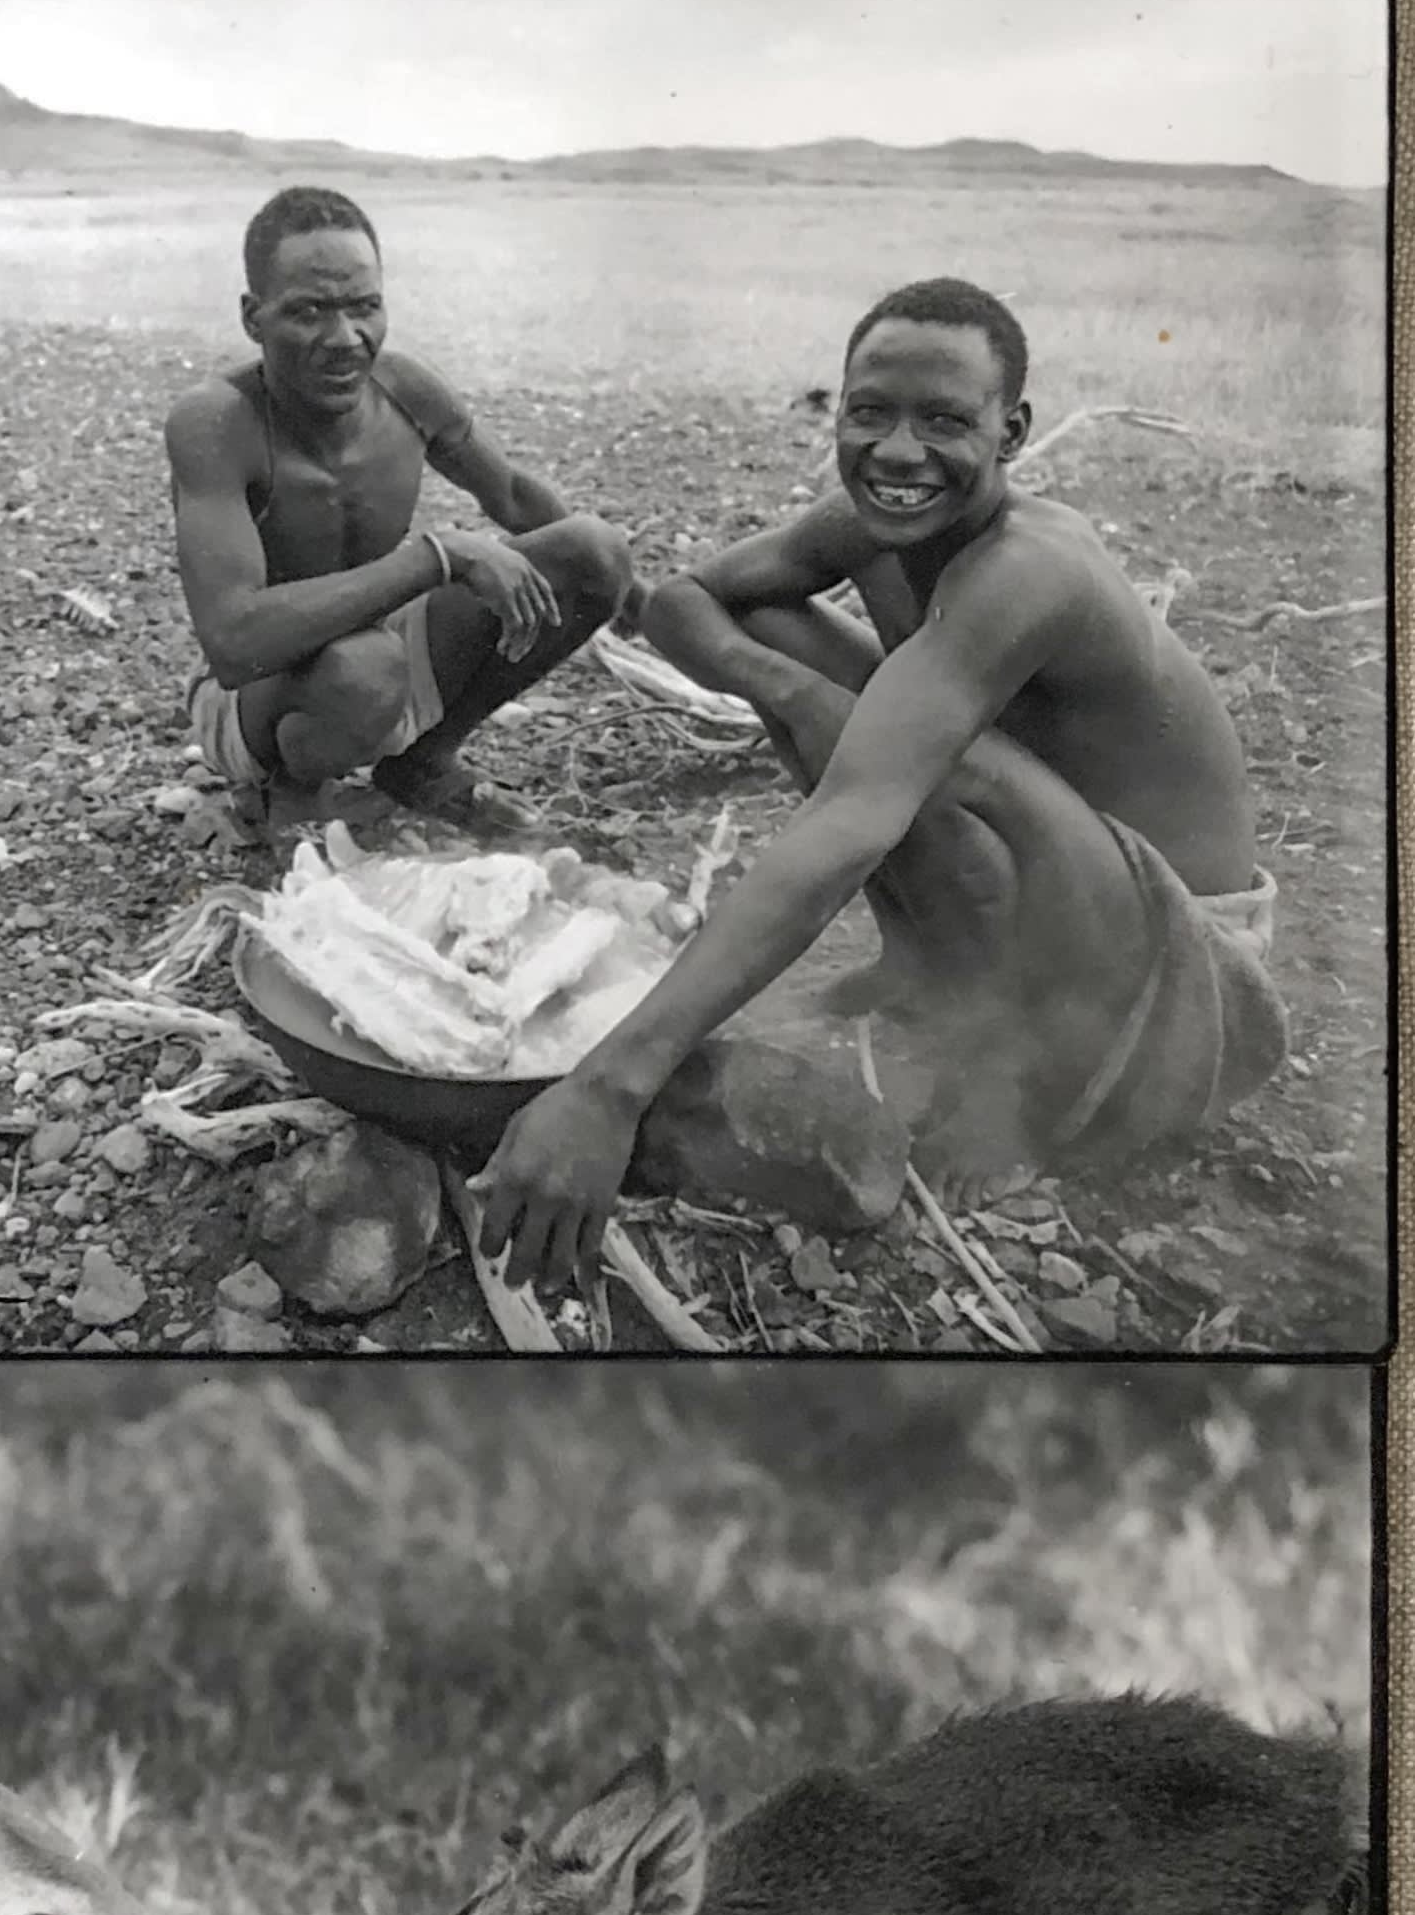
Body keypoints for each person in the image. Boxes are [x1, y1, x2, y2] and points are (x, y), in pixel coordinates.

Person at [473, 276, 1287, 1293]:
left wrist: (609, 1084)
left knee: (929, 755)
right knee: (800, 648)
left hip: (1184, 976)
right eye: (871, 413)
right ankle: (940, 983)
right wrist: (800, 694)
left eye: (946, 420)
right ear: (842, 409)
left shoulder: (1027, 571)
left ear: (1013, 433)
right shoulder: (877, 518)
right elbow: (687, 604)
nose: (899, 452)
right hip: (1064, 875)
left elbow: (859, 815)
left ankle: (1017, 1088)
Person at [166, 186, 641, 840]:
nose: (345, 339)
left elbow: (512, 496)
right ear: (254, 318)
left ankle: (421, 762)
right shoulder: (218, 422)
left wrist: (646, 605)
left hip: (377, 647)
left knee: (594, 550)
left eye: (365, 308)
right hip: (254, 697)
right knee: (367, 667)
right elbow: (235, 644)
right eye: (309, 312)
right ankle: (291, 791)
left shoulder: (404, 390)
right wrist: (437, 558)